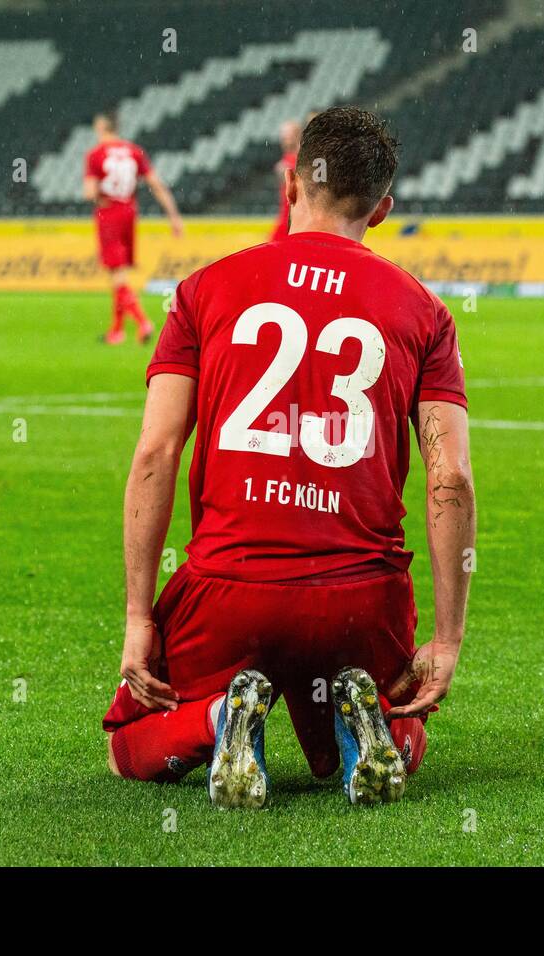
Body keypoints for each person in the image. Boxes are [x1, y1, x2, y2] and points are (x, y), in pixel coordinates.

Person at [102, 106, 476, 809]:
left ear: (289, 184)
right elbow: (449, 476)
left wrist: (138, 616)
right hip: (358, 601)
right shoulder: (424, 312)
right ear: (383, 209)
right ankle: (372, 730)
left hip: (230, 589)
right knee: (402, 702)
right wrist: (447, 638)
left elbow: (155, 452)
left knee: (129, 741)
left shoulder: (203, 290)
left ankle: (217, 719)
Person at [82, 110, 183, 345]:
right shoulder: (134, 151)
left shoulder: (96, 154)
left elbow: (89, 192)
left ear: (101, 128)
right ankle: (116, 331)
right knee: (119, 272)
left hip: (108, 212)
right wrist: (174, 216)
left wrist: (98, 198)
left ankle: (142, 321)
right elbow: (156, 185)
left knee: (117, 274)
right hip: (129, 212)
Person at [269, 119, 301, 241]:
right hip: (286, 218)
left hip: (295, 220)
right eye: (282, 137)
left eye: (286, 136)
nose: (283, 140)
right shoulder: (286, 158)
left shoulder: (302, 159)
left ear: (297, 135)